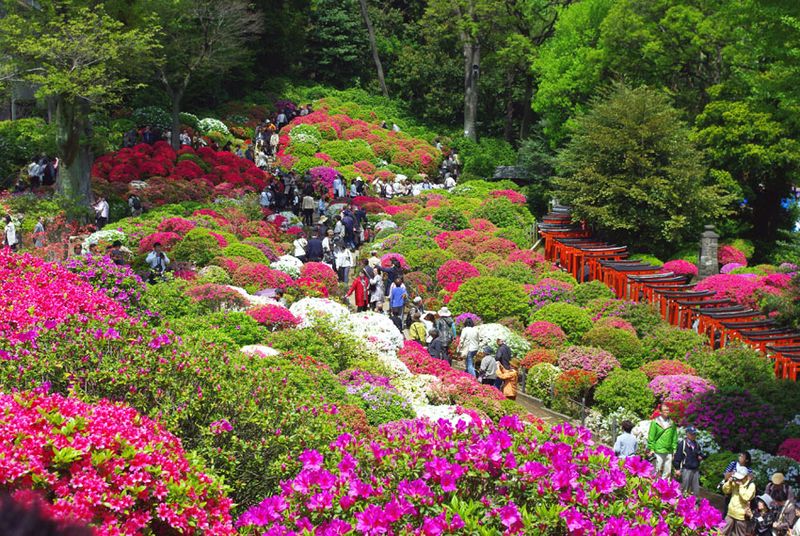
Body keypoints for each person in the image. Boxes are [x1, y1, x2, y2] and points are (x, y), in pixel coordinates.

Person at [647, 402, 678, 480]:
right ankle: (654, 488)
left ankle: (665, 488)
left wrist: (674, 449)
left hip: (669, 451)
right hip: (658, 450)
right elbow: (651, 437)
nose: (667, 412)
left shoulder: (672, 423)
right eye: (665, 410)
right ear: (660, 412)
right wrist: (651, 449)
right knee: (656, 471)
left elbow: (674, 437)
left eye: (668, 410)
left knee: (667, 472)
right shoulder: (655, 422)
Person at [721, 469, 756, 536]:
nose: (738, 479)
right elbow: (726, 491)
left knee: (739, 534)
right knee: (723, 532)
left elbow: (746, 497)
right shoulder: (735, 482)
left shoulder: (751, 485)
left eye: (740, 478)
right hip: (730, 513)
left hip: (741, 516)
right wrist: (729, 482)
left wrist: (741, 486)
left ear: (746, 477)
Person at [673, 426, 704, 496]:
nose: (693, 436)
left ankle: (694, 503)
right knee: (684, 488)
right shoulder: (682, 444)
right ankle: (681, 502)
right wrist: (677, 469)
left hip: (695, 469)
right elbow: (678, 457)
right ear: (687, 434)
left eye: (694, 434)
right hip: (686, 469)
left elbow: (700, 453)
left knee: (696, 489)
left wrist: (701, 457)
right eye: (692, 434)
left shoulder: (697, 444)